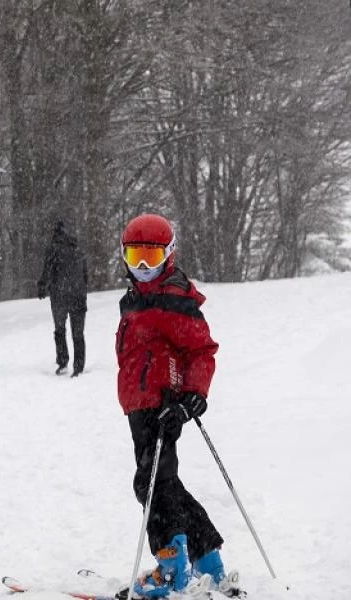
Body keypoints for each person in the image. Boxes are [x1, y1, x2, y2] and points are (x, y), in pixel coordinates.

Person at [116, 213, 243, 598]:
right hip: (139, 406)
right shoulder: (135, 299)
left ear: (168, 256)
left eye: (150, 258)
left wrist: (193, 396)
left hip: (164, 406)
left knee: (151, 483)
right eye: (135, 255)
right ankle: (209, 562)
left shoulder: (175, 301)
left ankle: (171, 568)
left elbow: (202, 352)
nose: (142, 266)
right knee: (166, 484)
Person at [37, 221, 88, 377]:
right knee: (78, 333)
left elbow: (47, 269)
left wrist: (42, 286)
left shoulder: (53, 248)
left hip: (60, 296)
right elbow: (85, 274)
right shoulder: (78, 248)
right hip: (78, 296)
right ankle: (78, 366)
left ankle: (63, 361)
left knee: (60, 330)